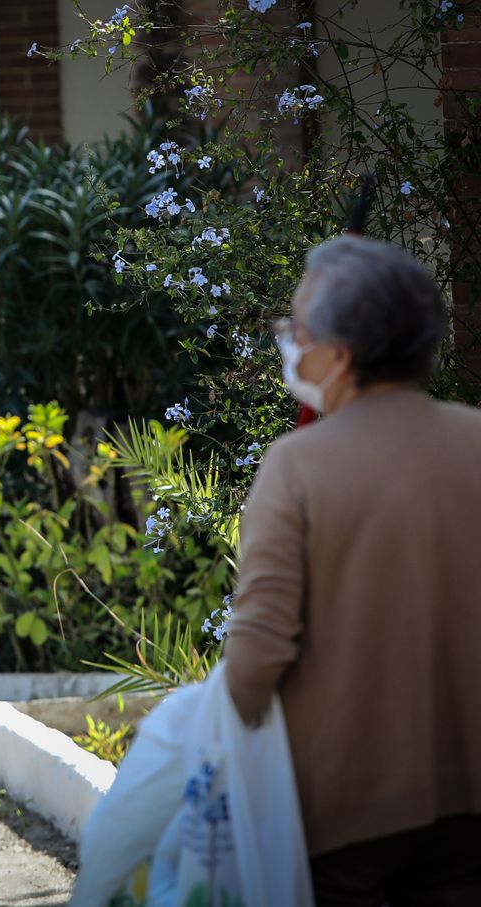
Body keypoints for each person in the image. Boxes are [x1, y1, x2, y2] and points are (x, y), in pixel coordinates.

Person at [223, 235, 481, 905]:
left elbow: (256, 656)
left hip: (343, 812)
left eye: (297, 329)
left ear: (340, 355)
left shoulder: (298, 465)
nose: (288, 343)